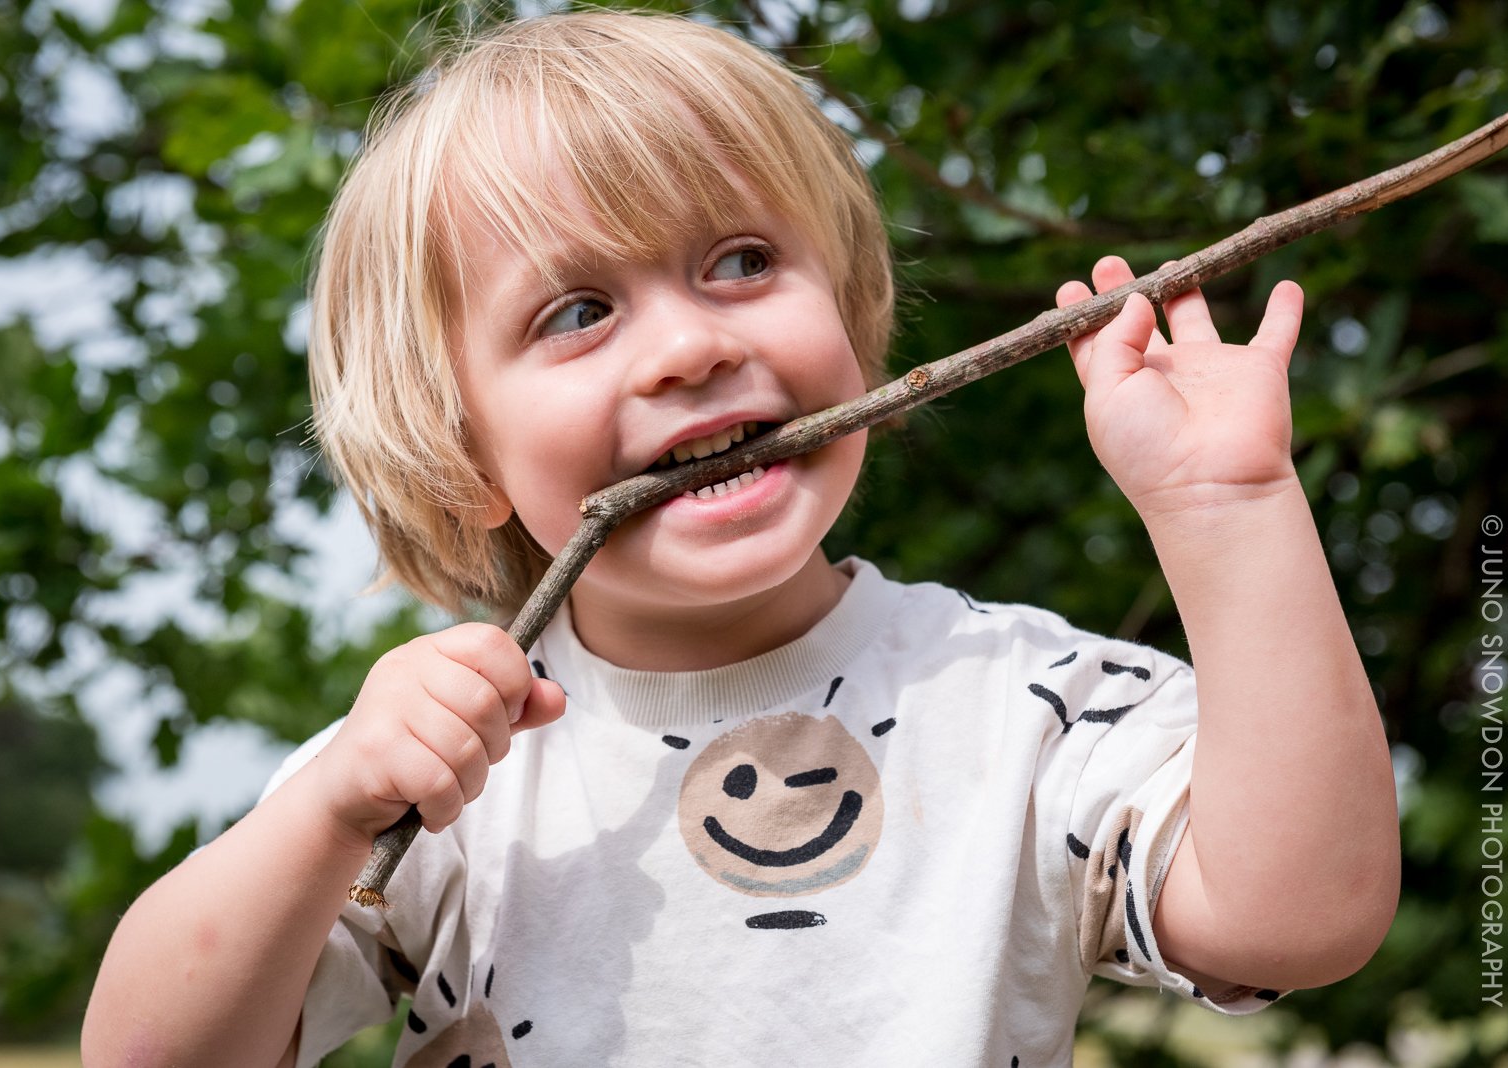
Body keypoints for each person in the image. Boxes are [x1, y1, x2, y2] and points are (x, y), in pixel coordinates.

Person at [81, 10, 1400, 1066]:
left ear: (857, 313)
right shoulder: (434, 777)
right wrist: (320, 816)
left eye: (743, 262)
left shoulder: (1018, 703)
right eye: (580, 310)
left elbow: (1302, 919)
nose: (696, 343)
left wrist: (1228, 514)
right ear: (460, 455)